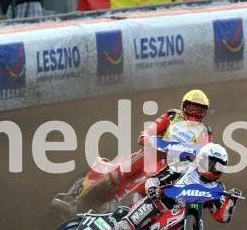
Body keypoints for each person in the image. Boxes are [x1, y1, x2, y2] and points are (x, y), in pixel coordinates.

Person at [73, 142, 242, 230]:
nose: (215, 170)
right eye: (213, 164)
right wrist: (153, 188)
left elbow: (223, 217)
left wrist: (232, 200)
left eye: (219, 167)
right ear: (204, 159)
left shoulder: (217, 188)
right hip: (157, 205)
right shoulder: (184, 168)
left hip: (178, 224)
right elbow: (156, 179)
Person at [65, 89, 214, 214]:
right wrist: (146, 136)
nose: (194, 113)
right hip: (152, 153)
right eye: (192, 108)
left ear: (204, 113)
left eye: (199, 110)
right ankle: (81, 201)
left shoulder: (204, 131)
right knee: (119, 173)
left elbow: (205, 155)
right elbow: (151, 128)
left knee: (152, 194)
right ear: (184, 106)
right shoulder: (172, 116)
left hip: (173, 168)